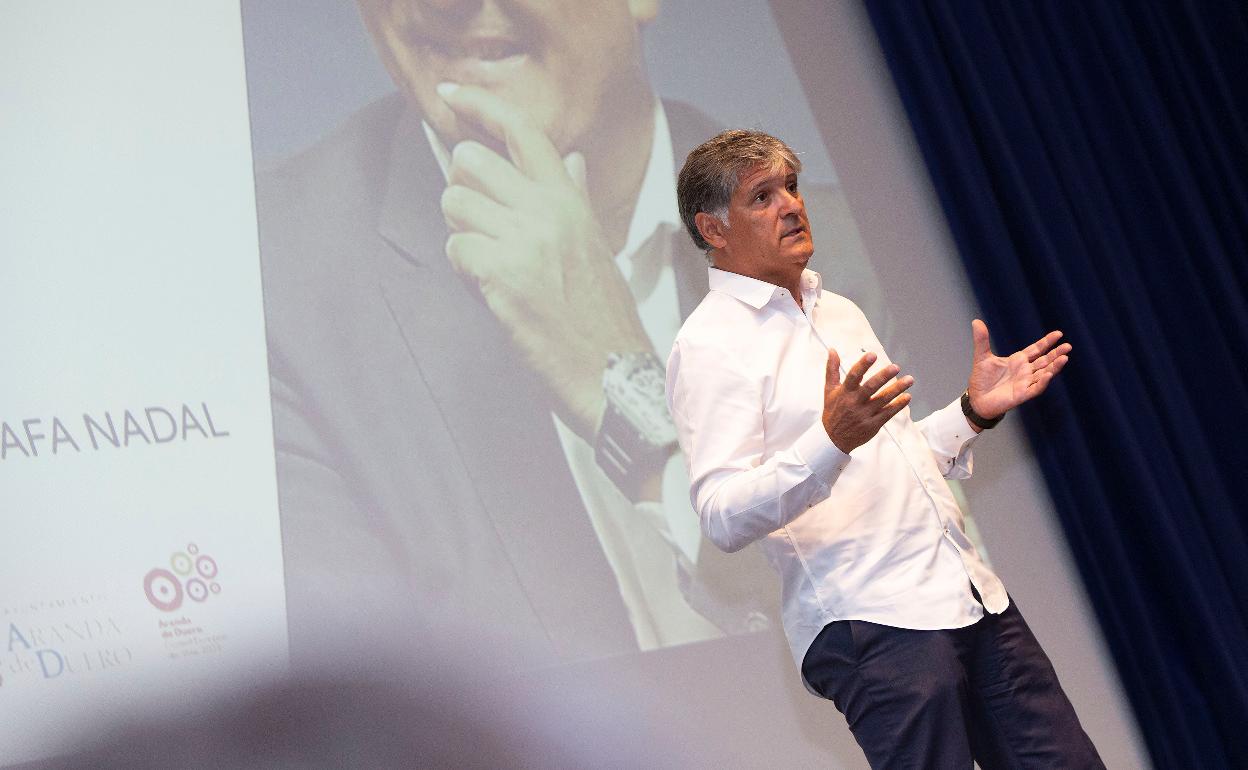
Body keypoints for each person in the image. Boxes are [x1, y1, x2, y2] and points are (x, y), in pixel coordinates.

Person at [254, 0, 890, 666]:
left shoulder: (861, 264)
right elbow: (372, 722)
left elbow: (907, 651)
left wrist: (626, 396)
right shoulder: (262, 288)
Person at [667, 129, 1103, 768]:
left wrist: (971, 414)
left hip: (970, 596)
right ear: (713, 229)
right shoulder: (708, 346)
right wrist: (829, 440)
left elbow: (890, 458)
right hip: (871, 624)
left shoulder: (836, 308)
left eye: (791, 185)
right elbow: (722, 515)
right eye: (763, 195)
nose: (792, 204)